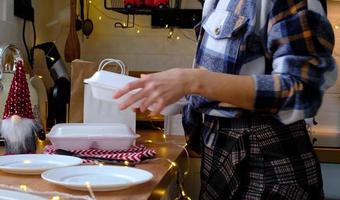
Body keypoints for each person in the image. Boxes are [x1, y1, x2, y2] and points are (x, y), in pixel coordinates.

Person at [114, 0, 337, 199]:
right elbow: (229, 80)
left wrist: (192, 81)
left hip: (268, 163)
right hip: (219, 158)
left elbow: (303, 89)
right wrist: (176, 95)